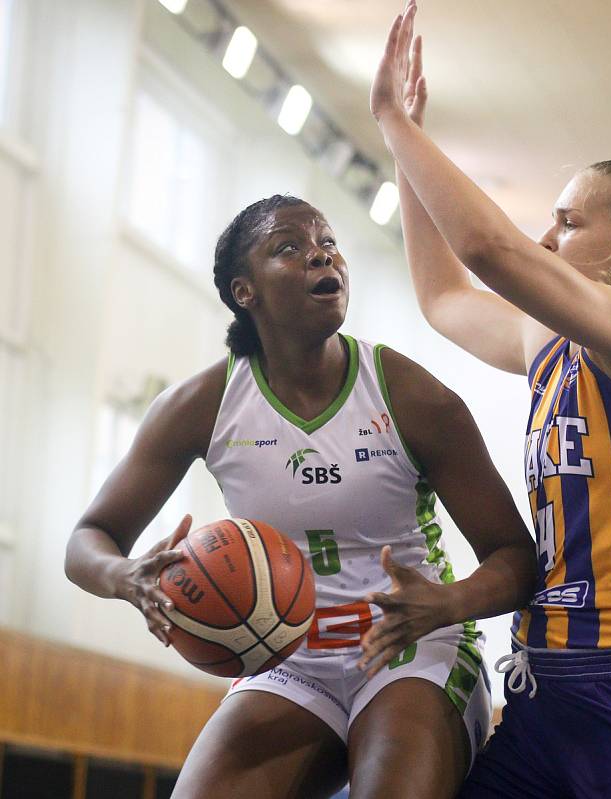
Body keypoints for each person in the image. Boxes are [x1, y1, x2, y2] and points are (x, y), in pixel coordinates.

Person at [365, 3, 611, 796]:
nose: (546, 237)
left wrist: (396, 124)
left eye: (568, 222)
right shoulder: (548, 344)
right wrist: (407, 155)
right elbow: (444, 297)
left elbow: (489, 249)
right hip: (545, 694)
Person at [64, 193, 538, 799]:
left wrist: (447, 602)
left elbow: (517, 559)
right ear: (245, 291)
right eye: (290, 248)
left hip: (414, 647)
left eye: (328, 243)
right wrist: (126, 577)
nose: (322, 257)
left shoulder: (411, 395)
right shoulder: (203, 404)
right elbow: (87, 539)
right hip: (285, 653)